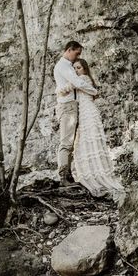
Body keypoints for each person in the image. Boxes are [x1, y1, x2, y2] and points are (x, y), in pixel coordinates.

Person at [66, 58, 124, 198]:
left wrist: (63, 88)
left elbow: (79, 89)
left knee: (89, 142)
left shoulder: (84, 78)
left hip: (88, 113)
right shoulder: (80, 79)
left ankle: (96, 175)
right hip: (84, 112)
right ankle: (91, 172)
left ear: (84, 69)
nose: (76, 71)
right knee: (83, 143)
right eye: (74, 68)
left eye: (78, 68)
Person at [53, 41, 97, 186]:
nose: (77, 56)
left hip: (71, 106)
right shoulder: (63, 66)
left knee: (70, 143)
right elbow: (77, 82)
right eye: (77, 53)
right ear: (69, 50)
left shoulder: (66, 66)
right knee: (66, 142)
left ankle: (69, 176)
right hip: (67, 107)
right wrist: (94, 91)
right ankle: (63, 177)